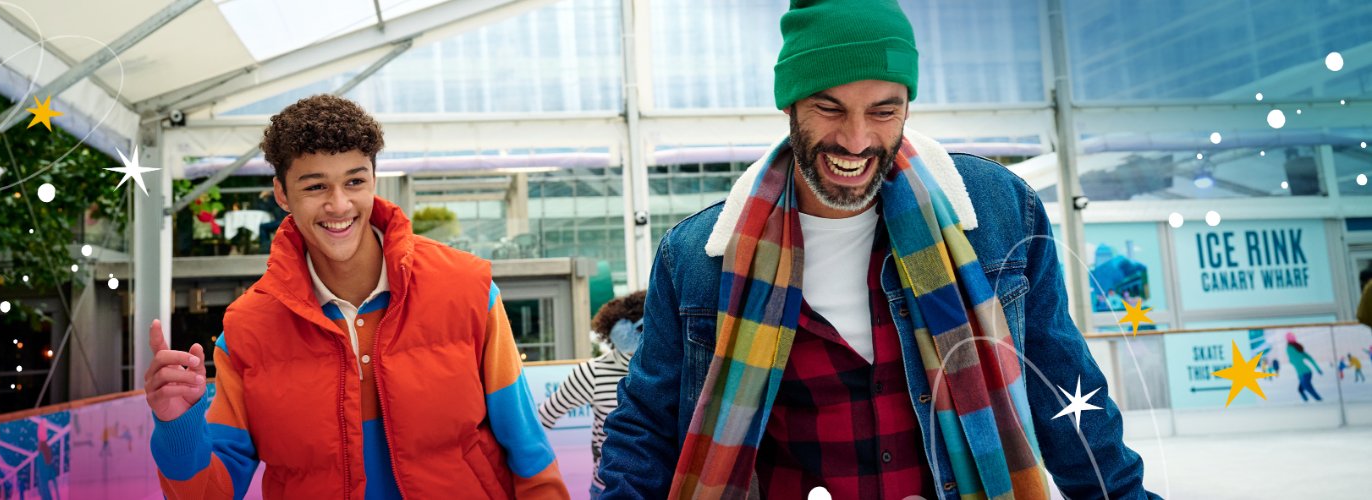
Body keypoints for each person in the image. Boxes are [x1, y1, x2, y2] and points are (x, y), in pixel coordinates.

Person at [596, 1, 1156, 498]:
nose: (857, 139)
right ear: (790, 105)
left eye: (883, 110)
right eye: (830, 107)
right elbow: (645, 427)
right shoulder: (698, 258)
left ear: (908, 106)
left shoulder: (996, 215)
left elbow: (1063, 392)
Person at [145, 95, 567, 499]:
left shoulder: (467, 289)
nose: (339, 204)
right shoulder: (246, 330)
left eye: (355, 181)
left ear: (373, 181)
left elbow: (528, 451)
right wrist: (177, 427)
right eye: (315, 187)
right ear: (281, 194)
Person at [537, 290, 646, 496]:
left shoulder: (671, 368)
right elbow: (543, 417)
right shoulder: (593, 372)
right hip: (608, 487)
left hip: (663, 485)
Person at [1285, 332, 1323, 402]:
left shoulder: (1293, 350)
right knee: (1300, 389)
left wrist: (1318, 369)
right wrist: (1318, 369)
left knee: (1307, 386)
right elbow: (1310, 359)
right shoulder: (1293, 350)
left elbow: (1310, 359)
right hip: (1301, 374)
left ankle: (1319, 400)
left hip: (1306, 373)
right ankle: (1308, 402)